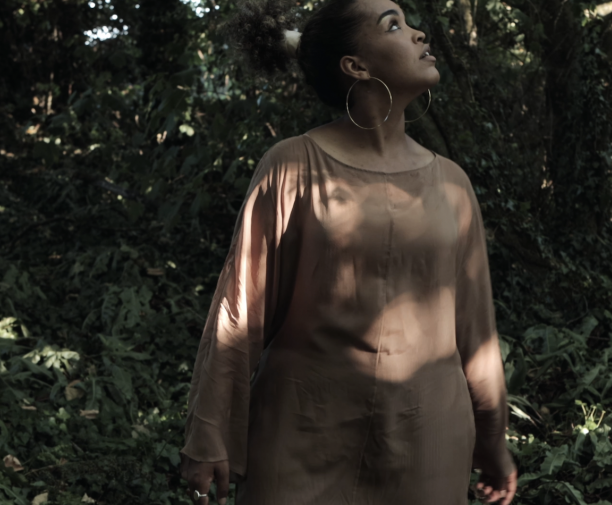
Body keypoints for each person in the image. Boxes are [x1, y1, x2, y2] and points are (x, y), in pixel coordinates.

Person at [179, 0, 517, 503]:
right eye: (395, 25)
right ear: (356, 66)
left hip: (427, 442)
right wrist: (209, 431)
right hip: (301, 432)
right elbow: (238, 310)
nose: (420, 34)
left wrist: (493, 440)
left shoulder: (451, 184)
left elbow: (475, 329)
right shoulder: (292, 164)